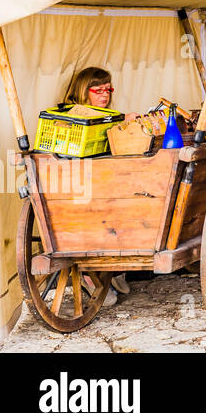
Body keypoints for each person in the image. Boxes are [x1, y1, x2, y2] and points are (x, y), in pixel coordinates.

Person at [58, 67, 128, 302]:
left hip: (99, 179)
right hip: (77, 184)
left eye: (108, 89)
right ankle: (91, 275)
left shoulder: (107, 116)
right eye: (98, 90)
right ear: (83, 90)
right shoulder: (76, 115)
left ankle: (116, 267)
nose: (105, 94)